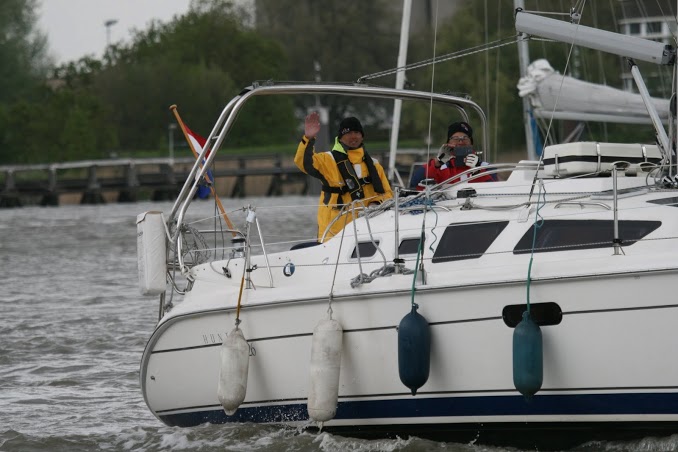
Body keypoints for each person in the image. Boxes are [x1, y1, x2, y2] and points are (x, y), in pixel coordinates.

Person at [295, 112, 393, 242]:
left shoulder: (374, 164)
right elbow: (303, 163)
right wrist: (308, 138)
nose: (353, 136)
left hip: (367, 229)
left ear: (362, 136)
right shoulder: (328, 160)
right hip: (334, 230)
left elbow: (387, 193)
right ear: (340, 137)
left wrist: (376, 203)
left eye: (357, 132)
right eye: (348, 133)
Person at [425, 121, 495, 185]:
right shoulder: (440, 168)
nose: (461, 142)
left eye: (465, 138)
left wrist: (477, 172)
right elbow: (417, 184)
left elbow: (496, 191)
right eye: (455, 138)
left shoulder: (486, 167)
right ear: (448, 143)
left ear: (471, 143)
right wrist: (438, 162)